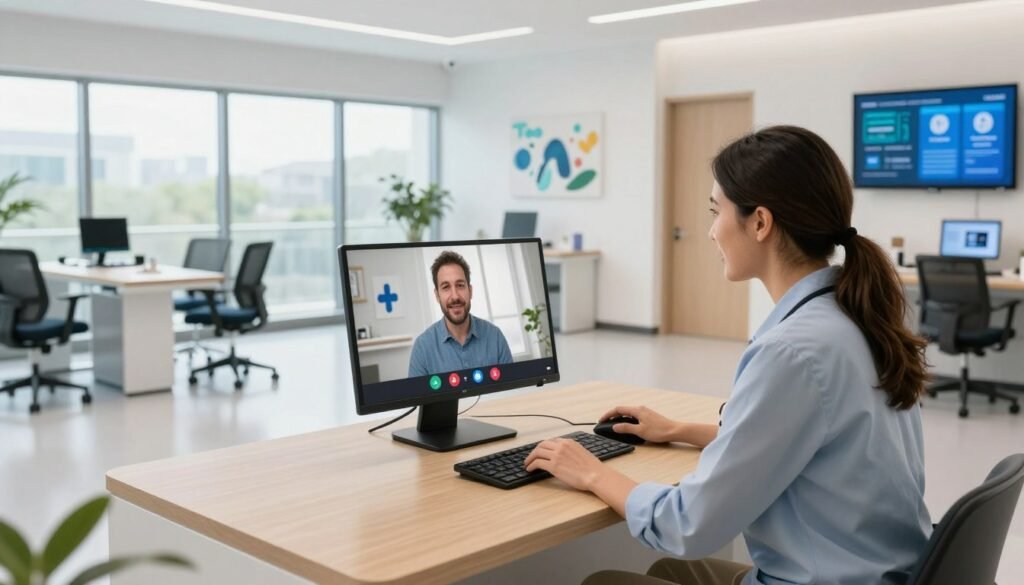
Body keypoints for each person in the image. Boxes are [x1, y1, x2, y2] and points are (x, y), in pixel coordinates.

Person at [524, 126, 933, 585]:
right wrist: (680, 430)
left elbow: (686, 525)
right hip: (878, 571)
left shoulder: (792, 352)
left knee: (606, 582)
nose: (710, 231)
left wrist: (593, 473)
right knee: (671, 572)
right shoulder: (855, 315)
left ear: (760, 222)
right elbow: (800, 435)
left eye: (716, 211)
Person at [408, 250, 513, 377]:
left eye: (460, 285)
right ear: (437, 295)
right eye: (446, 287)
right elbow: (418, 397)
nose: (455, 296)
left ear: (470, 291)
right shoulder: (422, 348)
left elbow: (511, 391)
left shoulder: (495, 337)